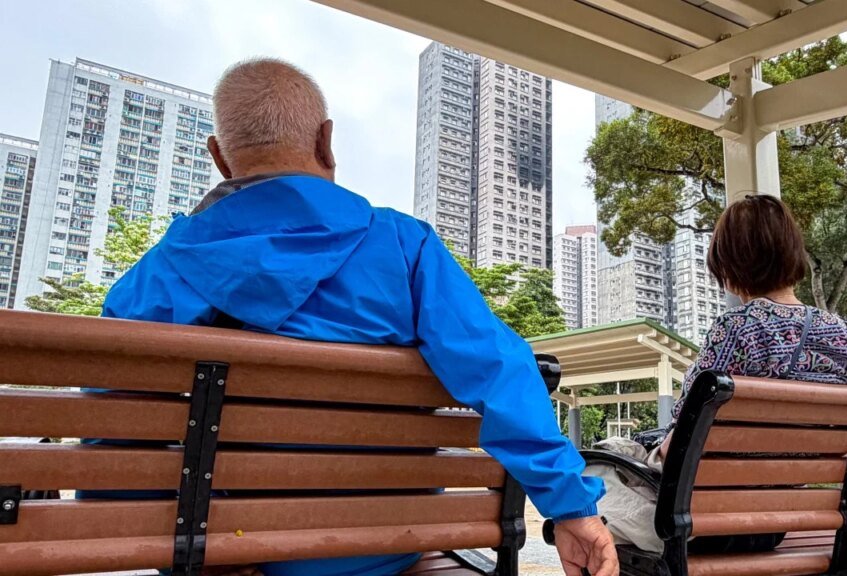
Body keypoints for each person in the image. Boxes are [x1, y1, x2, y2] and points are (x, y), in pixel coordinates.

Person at [99, 58, 618, 576]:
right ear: (326, 142)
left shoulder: (151, 283)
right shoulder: (405, 248)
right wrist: (571, 505)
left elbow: (107, 453)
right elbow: (499, 371)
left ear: (219, 157)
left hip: (221, 557)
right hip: (383, 552)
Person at [591, 194, 847, 555]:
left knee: (594, 469)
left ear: (731, 263)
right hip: (779, 519)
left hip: (707, 520)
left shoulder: (739, 328)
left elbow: (685, 427)